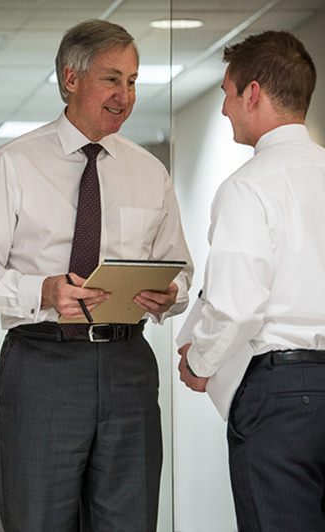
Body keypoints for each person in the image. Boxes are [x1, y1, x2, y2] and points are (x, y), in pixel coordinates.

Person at [0, 19, 193, 532]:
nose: (125, 95)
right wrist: (40, 291)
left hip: (129, 365)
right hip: (43, 363)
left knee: (131, 520)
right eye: (111, 79)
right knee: (37, 520)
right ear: (71, 78)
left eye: (132, 81)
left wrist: (171, 294)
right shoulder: (14, 163)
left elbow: (182, 271)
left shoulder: (149, 171)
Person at [177, 30, 325, 532]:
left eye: (226, 93)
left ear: (253, 93)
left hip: (282, 397)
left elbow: (236, 306)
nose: (223, 109)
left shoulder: (249, 186)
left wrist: (200, 362)